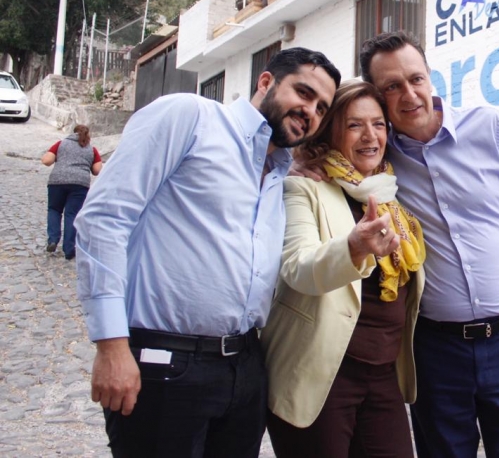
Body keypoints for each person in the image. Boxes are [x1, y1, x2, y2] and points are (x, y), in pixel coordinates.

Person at [74, 47, 340, 458]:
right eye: (303, 93)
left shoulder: (282, 173)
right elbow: (104, 219)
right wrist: (111, 346)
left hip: (245, 367)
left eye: (321, 108)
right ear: (265, 82)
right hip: (166, 363)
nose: (310, 111)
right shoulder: (191, 117)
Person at [358, 31, 499, 458]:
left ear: (430, 76)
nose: (409, 94)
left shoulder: (489, 126)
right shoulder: (379, 159)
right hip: (435, 351)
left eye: (415, 79)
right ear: (378, 97)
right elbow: (330, 153)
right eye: (392, 86)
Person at [262, 80, 425, 457]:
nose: (370, 136)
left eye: (378, 124)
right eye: (354, 125)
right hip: (322, 373)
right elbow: (298, 267)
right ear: (329, 130)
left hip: (383, 374)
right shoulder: (303, 187)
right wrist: (353, 248)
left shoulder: (390, 191)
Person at [41, 124, 103, 260]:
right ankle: (69, 249)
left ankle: (53, 240)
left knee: (54, 210)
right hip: (80, 184)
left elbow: (47, 161)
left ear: (73, 133)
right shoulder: (92, 149)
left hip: (57, 182)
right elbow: (97, 170)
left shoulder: (61, 144)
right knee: (72, 214)